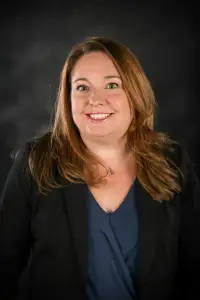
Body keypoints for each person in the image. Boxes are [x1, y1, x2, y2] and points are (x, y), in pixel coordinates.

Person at [0, 36, 200, 300]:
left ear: (135, 94)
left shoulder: (173, 163)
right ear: (68, 99)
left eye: (112, 85)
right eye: (83, 88)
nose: (96, 100)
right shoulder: (35, 161)